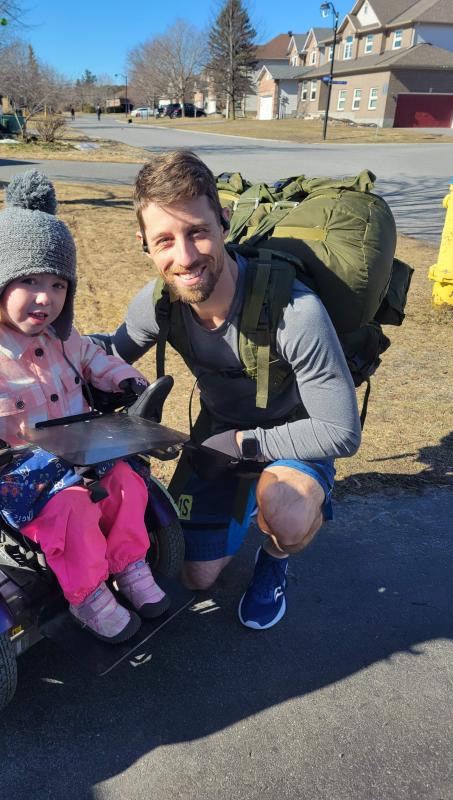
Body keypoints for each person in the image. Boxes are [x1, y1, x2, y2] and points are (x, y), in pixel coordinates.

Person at [0, 170, 170, 645]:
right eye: (30, 281)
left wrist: (125, 380)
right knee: (72, 508)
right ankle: (88, 595)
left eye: (58, 284)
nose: (46, 298)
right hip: (20, 478)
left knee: (127, 482)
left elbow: (95, 358)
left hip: (79, 453)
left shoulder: (63, 338)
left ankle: (129, 564)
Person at [92, 150, 362, 631]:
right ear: (144, 244)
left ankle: (274, 555)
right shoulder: (157, 303)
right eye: (165, 240)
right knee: (195, 576)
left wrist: (241, 445)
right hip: (218, 434)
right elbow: (107, 355)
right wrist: (21, 338)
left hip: (296, 434)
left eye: (197, 231)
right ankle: (246, 499)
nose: (185, 257)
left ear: (223, 220)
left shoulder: (296, 312)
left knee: (287, 515)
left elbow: (340, 431)